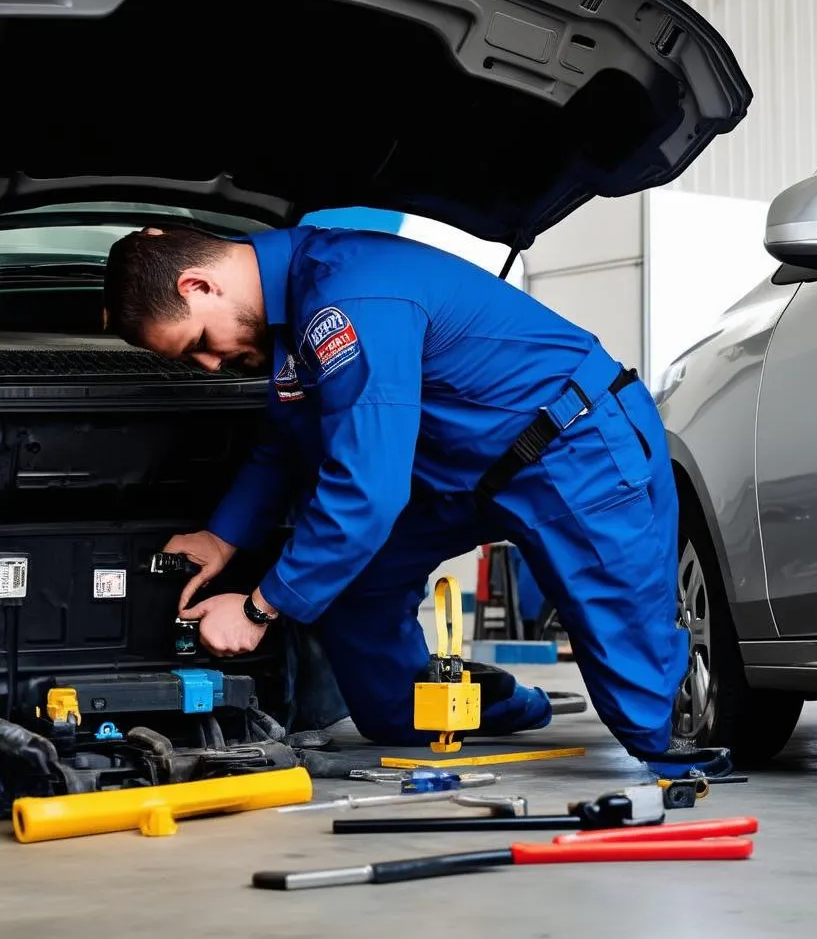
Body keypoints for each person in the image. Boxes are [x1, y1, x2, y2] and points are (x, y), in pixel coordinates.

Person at [101, 223, 691, 769]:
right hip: (463, 472)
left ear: (199, 284)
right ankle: (490, 705)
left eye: (199, 341)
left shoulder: (348, 300)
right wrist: (221, 537)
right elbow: (285, 442)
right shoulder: (290, 319)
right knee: (364, 617)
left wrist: (258, 609)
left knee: (645, 719)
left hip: (575, 446)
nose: (209, 364)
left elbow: (366, 491)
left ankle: (679, 740)